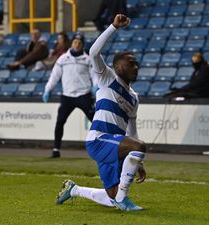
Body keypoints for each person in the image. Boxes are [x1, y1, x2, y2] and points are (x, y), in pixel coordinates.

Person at [55, 14, 147, 211]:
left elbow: (132, 132)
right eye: (130, 63)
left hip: (114, 146)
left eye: (136, 64)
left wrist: (139, 161)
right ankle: (123, 199)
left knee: (111, 198)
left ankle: (74, 190)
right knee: (138, 148)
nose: (136, 67)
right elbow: (94, 52)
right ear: (117, 67)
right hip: (98, 141)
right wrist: (113, 27)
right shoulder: (107, 78)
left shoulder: (134, 97)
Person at [42, 32, 97, 158]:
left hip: (84, 95)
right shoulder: (62, 59)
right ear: (72, 43)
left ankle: (104, 146)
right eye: (75, 42)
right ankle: (56, 149)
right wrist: (48, 90)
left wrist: (96, 87)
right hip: (67, 96)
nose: (77, 44)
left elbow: (95, 76)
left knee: (95, 121)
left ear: (82, 45)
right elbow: (54, 76)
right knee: (60, 121)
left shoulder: (88, 59)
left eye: (80, 43)